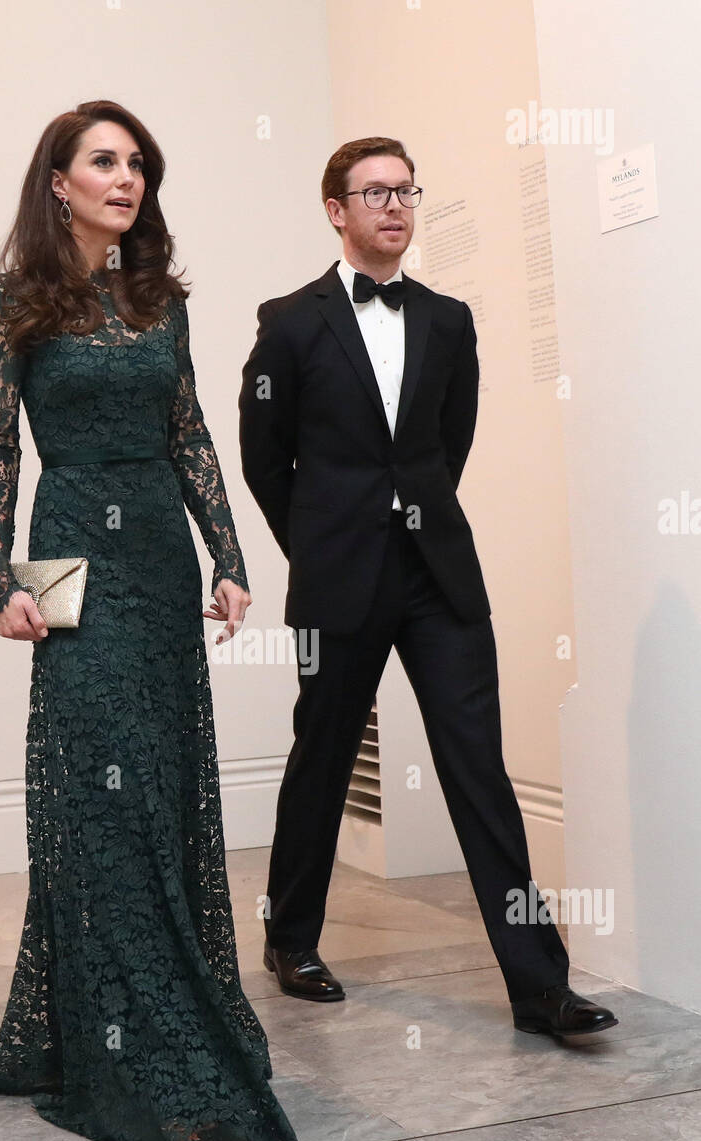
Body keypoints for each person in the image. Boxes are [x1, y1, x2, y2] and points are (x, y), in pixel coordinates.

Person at [0, 99, 300, 1141]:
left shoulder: (161, 302)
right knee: (98, 796)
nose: (126, 179)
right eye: (103, 162)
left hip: (158, 554)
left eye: (138, 166)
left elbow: (189, 428)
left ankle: (158, 1020)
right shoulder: (14, 298)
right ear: (56, 181)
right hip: (69, 549)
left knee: (156, 791)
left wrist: (231, 554)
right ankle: (137, 1067)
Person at [238, 135, 618, 1041]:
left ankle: (538, 987)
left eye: (406, 190)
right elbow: (264, 461)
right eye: (374, 193)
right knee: (321, 757)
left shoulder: (449, 320)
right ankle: (289, 938)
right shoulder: (288, 322)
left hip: (439, 577)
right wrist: (324, 546)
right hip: (341, 581)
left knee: (476, 769)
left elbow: (450, 444)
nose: (394, 207)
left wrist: (411, 516)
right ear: (336, 210)